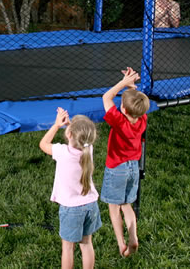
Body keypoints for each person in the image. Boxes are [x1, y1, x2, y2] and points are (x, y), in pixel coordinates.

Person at [39, 108, 102, 269]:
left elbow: (43, 144)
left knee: (67, 248)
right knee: (86, 243)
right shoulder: (89, 149)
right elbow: (82, 135)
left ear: (69, 135)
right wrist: (71, 124)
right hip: (91, 205)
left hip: (71, 209)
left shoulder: (62, 152)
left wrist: (56, 125)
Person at [100, 67, 149, 257]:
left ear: (123, 109)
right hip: (132, 168)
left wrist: (122, 84)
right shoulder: (142, 118)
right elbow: (137, 103)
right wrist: (130, 85)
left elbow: (106, 97)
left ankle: (121, 244)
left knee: (114, 208)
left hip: (116, 169)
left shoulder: (119, 121)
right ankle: (133, 237)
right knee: (127, 205)